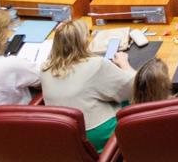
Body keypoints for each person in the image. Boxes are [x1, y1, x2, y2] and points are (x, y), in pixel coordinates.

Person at [40, 20, 135, 151]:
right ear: (83, 42)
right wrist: (124, 63)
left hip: (64, 136)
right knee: (136, 100)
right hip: (97, 135)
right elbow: (134, 87)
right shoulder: (96, 65)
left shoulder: (45, 68)